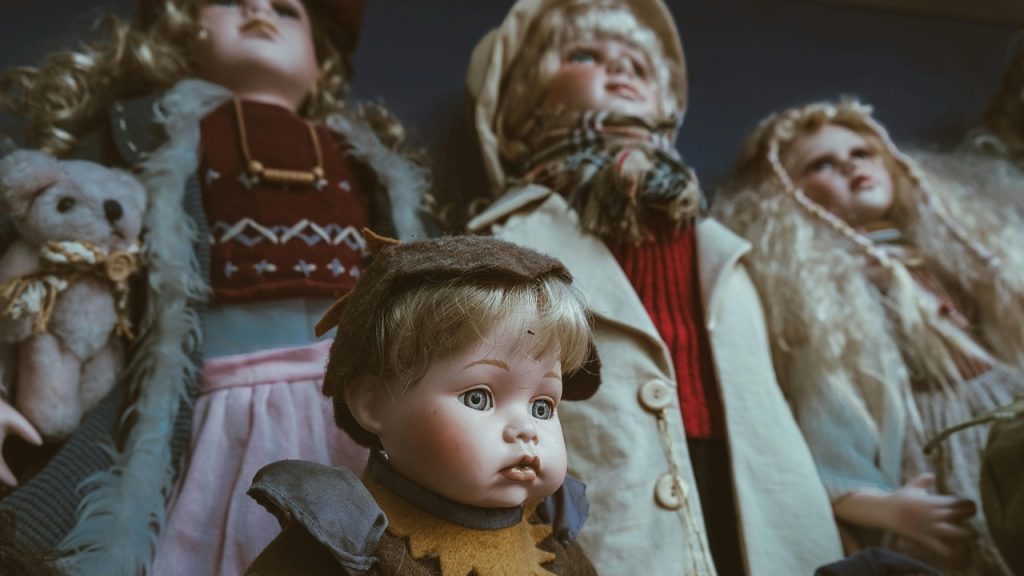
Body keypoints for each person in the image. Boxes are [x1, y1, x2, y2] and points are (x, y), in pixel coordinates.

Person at [0, 0, 426, 573]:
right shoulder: (142, 134)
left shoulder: (368, 165)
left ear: (320, 64)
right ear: (178, 32)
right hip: (210, 412)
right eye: (231, 0)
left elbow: (424, 286)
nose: (260, 10)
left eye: (286, 10)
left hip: (352, 408)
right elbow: (40, 261)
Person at [464, 1, 843, 574]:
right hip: (612, 497)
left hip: (757, 499)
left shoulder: (728, 241)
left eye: (640, 67)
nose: (620, 71)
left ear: (667, 101)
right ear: (529, 92)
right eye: (585, 55)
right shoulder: (503, 238)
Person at [713, 99, 1024, 575]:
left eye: (862, 152)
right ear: (784, 194)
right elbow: (831, 421)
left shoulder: (959, 252)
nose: (851, 168)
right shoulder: (827, 303)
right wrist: (890, 509)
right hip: (936, 446)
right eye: (822, 164)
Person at [245, 233, 598, 575]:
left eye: (542, 407)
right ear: (373, 403)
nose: (526, 429)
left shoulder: (553, 540)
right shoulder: (347, 548)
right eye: (478, 398)